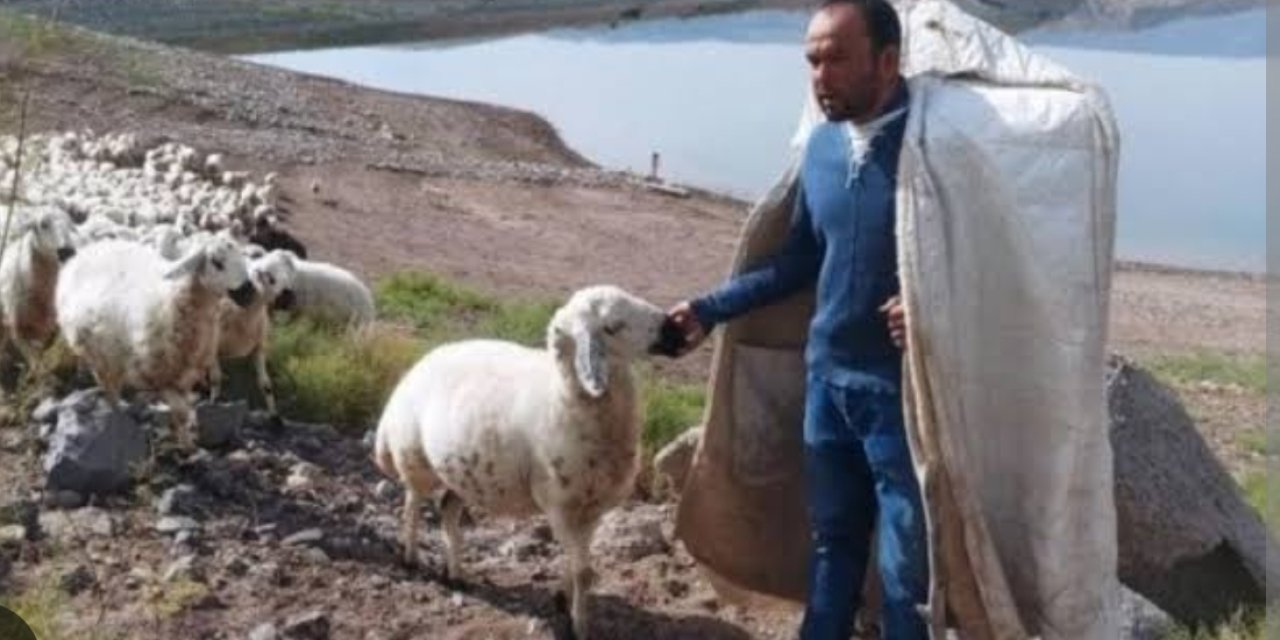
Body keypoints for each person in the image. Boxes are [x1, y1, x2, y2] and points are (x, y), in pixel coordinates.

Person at [666, 1, 926, 638]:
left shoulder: (935, 150)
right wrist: (708, 309)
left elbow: (991, 266)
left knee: (905, 579)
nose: (820, 74)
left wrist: (932, 307)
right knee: (832, 548)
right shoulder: (823, 148)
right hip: (828, 385)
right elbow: (797, 262)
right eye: (812, 58)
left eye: (837, 58)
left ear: (887, 61)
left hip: (903, 398)